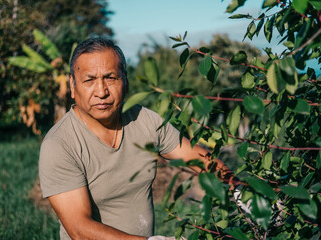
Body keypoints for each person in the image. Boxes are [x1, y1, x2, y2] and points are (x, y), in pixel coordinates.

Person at [39, 37, 232, 240]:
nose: (101, 91)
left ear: (125, 81)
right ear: (73, 85)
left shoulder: (144, 119)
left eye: (110, 78)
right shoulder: (60, 145)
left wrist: (238, 188)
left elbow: (199, 159)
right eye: (89, 80)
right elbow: (80, 230)